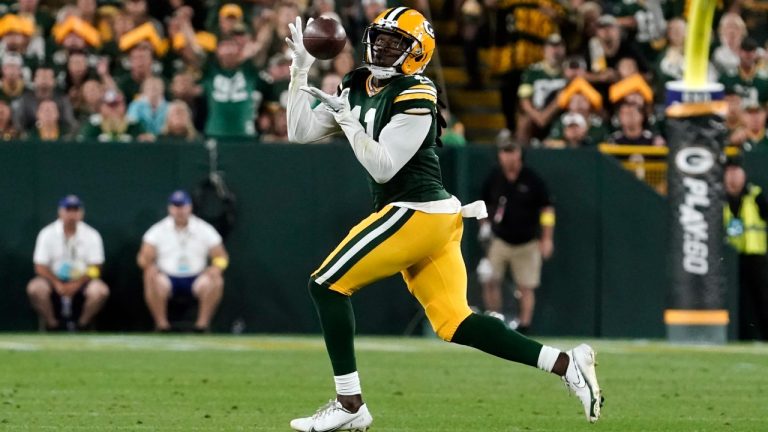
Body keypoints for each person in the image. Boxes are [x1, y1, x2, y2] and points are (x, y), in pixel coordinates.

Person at [285, 10, 602, 432]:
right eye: (380, 39)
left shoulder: (418, 92)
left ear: (417, 53)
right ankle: (565, 364)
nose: (382, 48)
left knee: (326, 285)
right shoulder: (357, 82)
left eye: (395, 43)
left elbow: (383, 167)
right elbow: (299, 131)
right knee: (456, 322)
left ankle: (350, 403)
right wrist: (300, 70)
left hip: (415, 211)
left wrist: (347, 119)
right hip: (427, 217)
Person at [479, 131, 555, 334]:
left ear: (519, 154)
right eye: (504, 151)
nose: (508, 156)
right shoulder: (494, 177)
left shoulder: (532, 179)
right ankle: (494, 322)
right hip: (500, 239)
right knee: (489, 279)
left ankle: (524, 326)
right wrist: (484, 226)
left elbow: (547, 209)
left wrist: (547, 238)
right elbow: (483, 204)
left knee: (526, 286)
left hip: (527, 241)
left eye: (512, 151)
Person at [136, 190, 228, 332]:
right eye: (175, 206)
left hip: (197, 278)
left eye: (183, 206)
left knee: (217, 279)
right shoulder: (157, 230)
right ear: (169, 208)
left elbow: (222, 257)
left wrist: (217, 267)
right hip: (167, 278)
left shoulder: (204, 229)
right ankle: (162, 325)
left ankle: (202, 326)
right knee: (149, 276)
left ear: (190, 207)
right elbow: (142, 258)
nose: (179, 211)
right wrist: (149, 267)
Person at [27, 195, 109, 331]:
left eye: (75, 210)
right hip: (53, 280)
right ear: (60, 212)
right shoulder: (47, 234)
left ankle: (82, 325)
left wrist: (77, 283)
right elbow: (40, 267)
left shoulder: (92, 235)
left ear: (81, 213)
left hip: (82, 281)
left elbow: (96, 268)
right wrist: (57, 283)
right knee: (35, 288)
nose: (72, 214)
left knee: (100, 291)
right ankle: (52, 325)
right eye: (68, 210)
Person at [724, 160, 768, 340]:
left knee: (762, 297)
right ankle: (747, 336)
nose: (733, 177)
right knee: (741, 300)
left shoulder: (755, 195)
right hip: (731, 258)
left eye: (737, 172)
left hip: (756, 255)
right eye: (730, 172)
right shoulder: (719, 199)